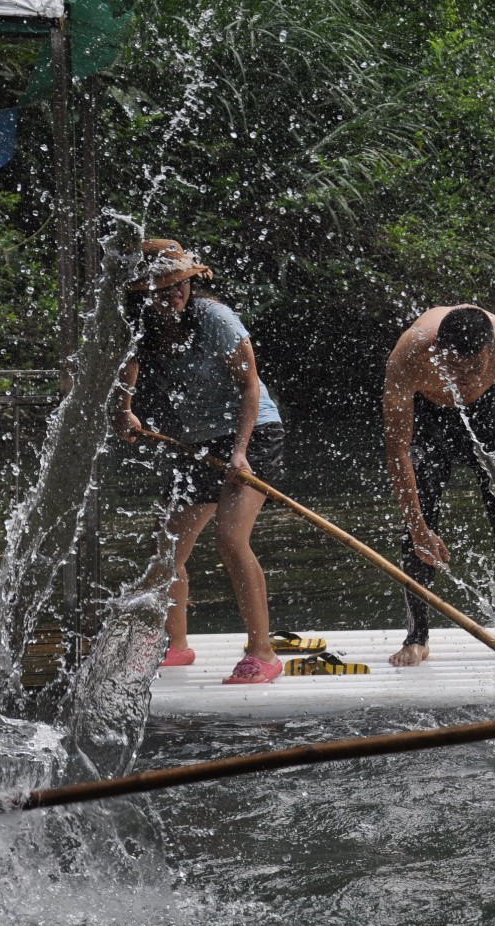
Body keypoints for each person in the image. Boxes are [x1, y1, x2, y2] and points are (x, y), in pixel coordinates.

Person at [115, 239, 287, 685]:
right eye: (160, 287)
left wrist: (240, 453)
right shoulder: (142, 323)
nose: (171, 294)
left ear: (191, 282)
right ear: (143, 293)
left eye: (178, 284)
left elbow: (250, 387)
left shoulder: (215, 319)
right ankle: (176, 645)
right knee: (168, 547)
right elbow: (128, 368)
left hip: (253, 433)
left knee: (230, 539)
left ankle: (262, 652)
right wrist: (125, 409)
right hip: (197, 441)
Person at [382, 305, 495, 668]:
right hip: (429, 414)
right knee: (420, 523)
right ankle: (417, 637)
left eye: (474, 368)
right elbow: (398, 450)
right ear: (436, 351)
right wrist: (419, 527)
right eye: (453, 368)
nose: (464, 379)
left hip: (490, 407)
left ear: (490, 352)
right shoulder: (409, 357)